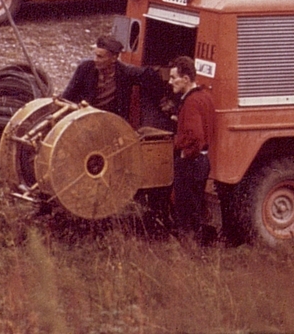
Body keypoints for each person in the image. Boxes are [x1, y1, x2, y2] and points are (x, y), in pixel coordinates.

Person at [61, 34, 164, 125]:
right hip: (85, 117)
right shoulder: (85, 68)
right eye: (95, 55)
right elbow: (68, 95)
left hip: (111, 122)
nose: (95, 60)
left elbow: (150, 73)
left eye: (100, 57)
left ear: (114, 58)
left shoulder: (125, 72)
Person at [168, 55, 216, 238]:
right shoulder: (205, 96)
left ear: (186, 79)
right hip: (202, 161)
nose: (170, 82)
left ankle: (186, 245)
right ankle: (194, 243)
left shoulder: (191, 102)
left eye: (173, 78)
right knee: (195, 208)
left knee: (185, 212)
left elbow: (195, 136)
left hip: (190, 163)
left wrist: (184, 153)